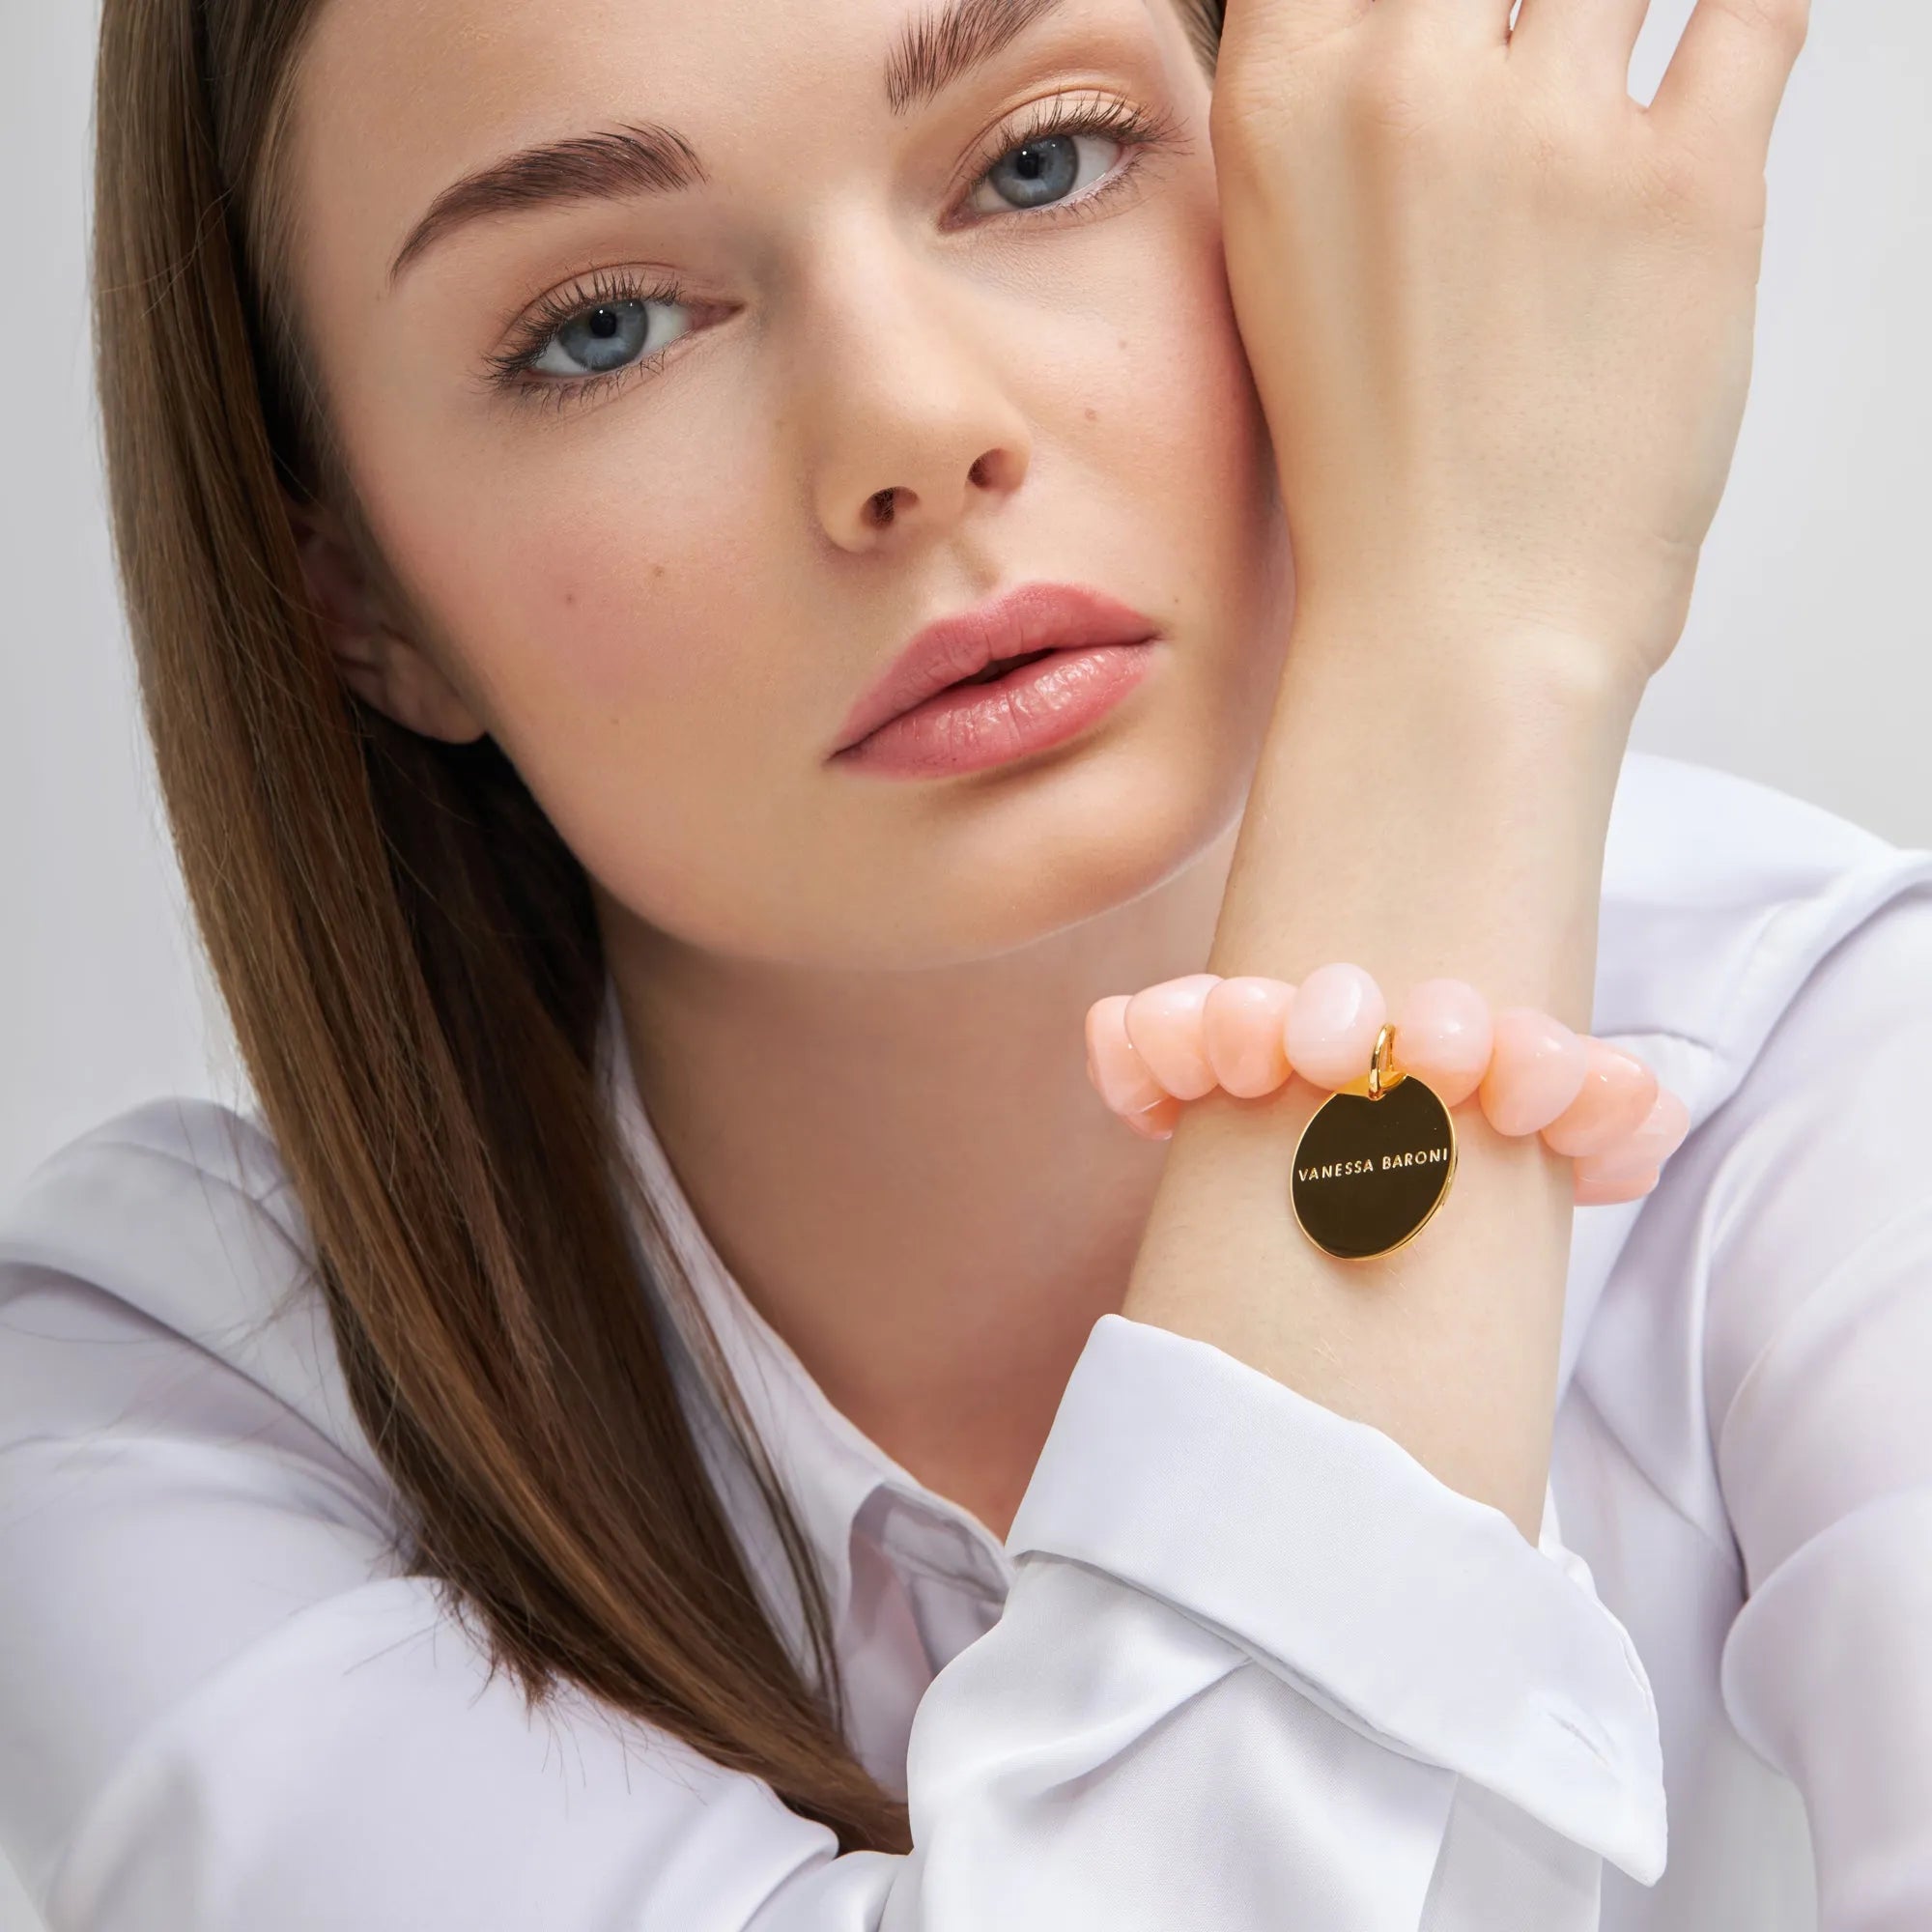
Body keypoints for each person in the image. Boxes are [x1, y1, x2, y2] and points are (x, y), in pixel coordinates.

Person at [2, 0, 1924, 1925]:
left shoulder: (1835, 1093)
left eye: (1040, 161)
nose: (910, 427)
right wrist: (1464, 648)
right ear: (349, 590)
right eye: (605, 328)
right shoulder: (169, 1410)